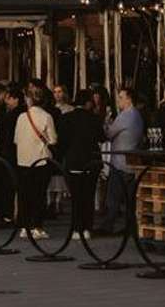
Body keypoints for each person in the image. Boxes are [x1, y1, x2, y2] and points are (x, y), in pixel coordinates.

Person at [13, 84, 58, 239]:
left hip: (23, 159)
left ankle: (24, 227)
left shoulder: (21, 117)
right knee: (39, 194)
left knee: (24, 194)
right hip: (41, 160)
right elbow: (53, 139)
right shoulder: (46, 117)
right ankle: (37, 226)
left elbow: (16, 139)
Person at [58, 89, 103, 241]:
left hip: (73, 161)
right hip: (91, 161)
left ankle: (76, 228)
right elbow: (102, 137)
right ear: (89, 102)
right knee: (88, 195)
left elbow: (62, 142)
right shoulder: (94, 118)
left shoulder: (66, 118)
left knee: (76, 196)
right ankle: (87, 228)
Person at [98, 86, 144, 234]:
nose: (118, 101)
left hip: (120, 162)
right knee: (130, 198)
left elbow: (109, 134)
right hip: (132, 160)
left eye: (121, 97)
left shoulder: (124, 116)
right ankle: (130, 226)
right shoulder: (137, 115)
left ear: (129, 99)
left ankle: (107, 226)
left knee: (113, 198)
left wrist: (105, 122)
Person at [0, 85, 22, 227]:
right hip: (7, 152)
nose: (6, 101)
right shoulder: (8, 113)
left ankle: (8, 213)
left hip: (9, 152)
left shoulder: (15, 114)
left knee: (9, 184)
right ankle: (6, 212)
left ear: (16, 99)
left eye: (9, 98)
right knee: (6, 184)